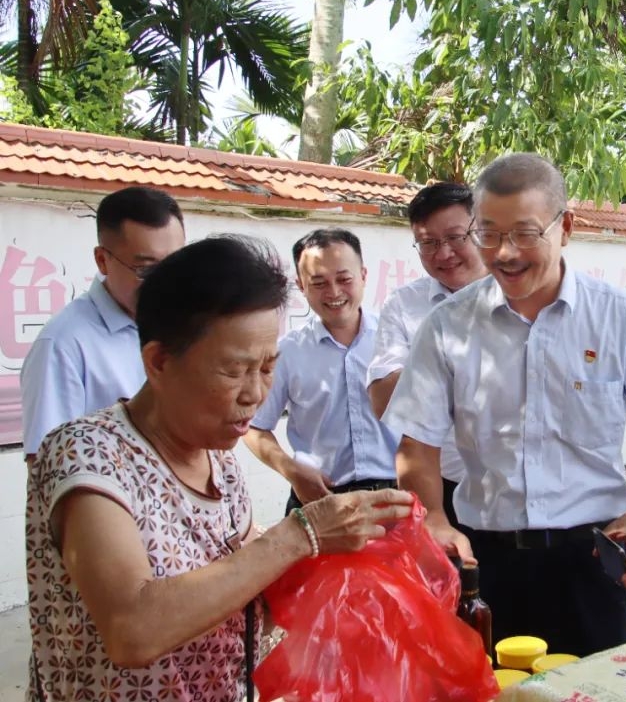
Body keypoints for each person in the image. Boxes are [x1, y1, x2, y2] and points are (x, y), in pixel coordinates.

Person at [25, 235, 414, 702]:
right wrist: (300, 534)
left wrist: (360, 572)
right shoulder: (88, 454)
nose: (256, 393)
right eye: (234, 371)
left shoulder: (220, 464)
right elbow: (133, 629)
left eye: (268, 368)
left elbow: (247, 595)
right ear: (159, 361)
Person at [384, 153, 626, 657]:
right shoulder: (447, 326)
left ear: (565, 226)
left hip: (590, 564)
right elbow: (416, 443)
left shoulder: (616, 317)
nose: (505, 253)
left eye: (525, 234)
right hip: (486, 565)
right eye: (487, 234)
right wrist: (434, 520)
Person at [19, 186, 185, 460]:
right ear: (102, 260)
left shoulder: (182, 326)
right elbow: (48, 465)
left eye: (175, 266)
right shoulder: (63, 344)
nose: (165, 282)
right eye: (146, 269)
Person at [244, 228, 399, 514]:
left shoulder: (398, 340)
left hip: (397, 496)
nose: (334, 292)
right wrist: (291, 470)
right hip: (320, 499)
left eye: (344, 279)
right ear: (300, 286)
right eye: (318, 283)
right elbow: (254, 425)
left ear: (363, 276)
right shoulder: (286, 352)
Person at [367, 182, 488, 529]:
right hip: (443, 488)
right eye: (428, 243)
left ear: (479, 229)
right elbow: (384, 397)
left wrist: (427, 382)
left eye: (455, 237)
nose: (443, 253)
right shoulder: (404, 306)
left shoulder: (516, 293)